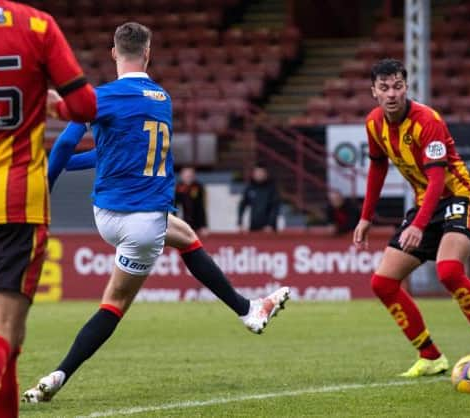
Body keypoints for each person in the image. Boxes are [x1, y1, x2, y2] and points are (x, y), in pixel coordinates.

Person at [22, 21, 289, 404]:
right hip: (143, 222)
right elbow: (118, 152)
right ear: (148, 53)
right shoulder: (162, 99)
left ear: (114, 53)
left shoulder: (99, 97)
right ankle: (58, 376)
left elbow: (67, 148)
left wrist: (49, 183)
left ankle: (249, 309)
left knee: (186, 237)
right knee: (113, 304)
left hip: (106, 215)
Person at [0, 1, 96, 417]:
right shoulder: (36, 25)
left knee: (8, 339)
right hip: (17, 201)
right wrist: (50, 105)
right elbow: (84, 108)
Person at [352, 58, 470, 377]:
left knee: (449, 271)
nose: (392, 93)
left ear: (406, 87)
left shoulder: (427, 120)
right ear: (374, 92)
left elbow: (438, 180)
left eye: (397, 86)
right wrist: (366, 216)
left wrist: (420, 225)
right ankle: (431, 355)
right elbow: (378, 167)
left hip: (460, 197)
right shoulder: (373, 124)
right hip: (426, 205)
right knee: (383, 282)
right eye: (384, 88)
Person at [237, 163, 281, 232]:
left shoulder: (272, 189)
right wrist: (240, 222)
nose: (259, 174)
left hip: (268, 229)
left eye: (261, 172)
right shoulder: (250, 188)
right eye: (257, 172)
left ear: (265, 174)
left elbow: (275, 208)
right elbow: (242, 205)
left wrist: (270, 224)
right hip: (254, 226)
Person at [175, 166, 208, 234]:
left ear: (194, 176)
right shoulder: (178, 187)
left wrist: (203, 225)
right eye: (186, 176)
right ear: (182, 176)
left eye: (190, 176)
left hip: (197, 222)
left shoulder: (198, 187)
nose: (188, 178)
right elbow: (174, 206)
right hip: (183, 221)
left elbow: (201, 207)